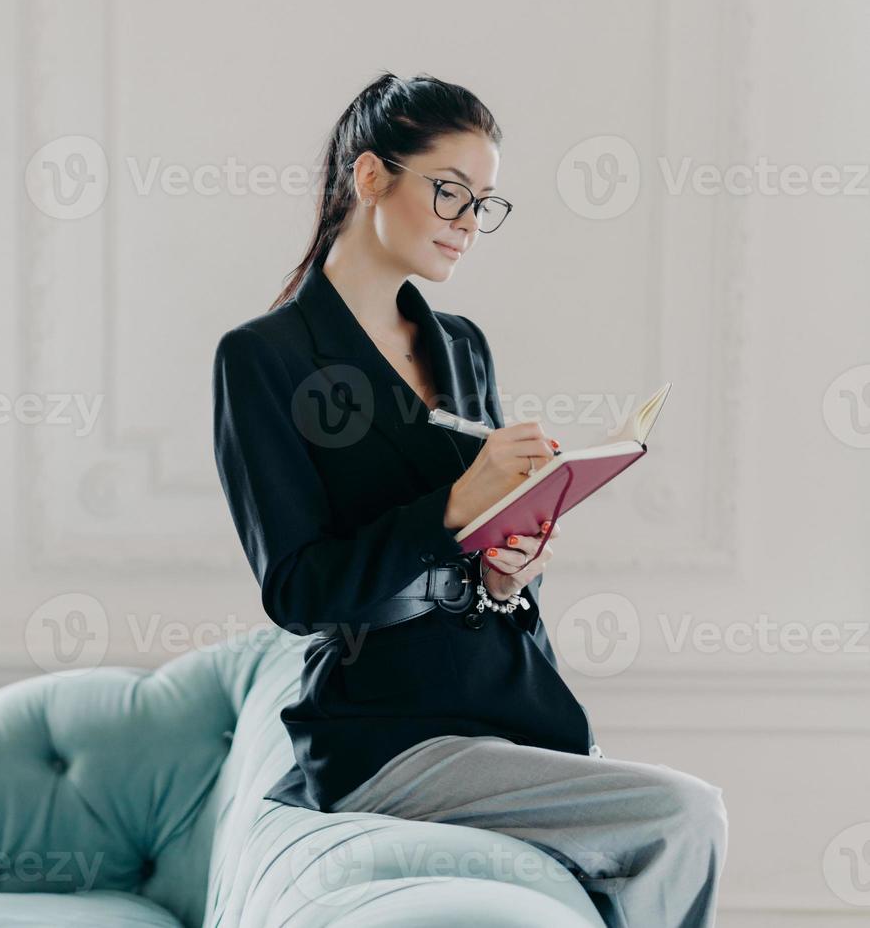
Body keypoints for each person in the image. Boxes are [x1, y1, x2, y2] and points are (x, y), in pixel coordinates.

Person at [210, 71, 728, 927]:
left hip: (505, 699)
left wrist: (506, 565)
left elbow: (473, 546)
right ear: (370, 177)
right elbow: (298, 591)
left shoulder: (460, 346)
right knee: (686, 814)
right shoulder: (263, 357)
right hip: (386, 728)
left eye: (484, 203)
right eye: (450, 192)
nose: (466, 223)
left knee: (666, 826)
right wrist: (451, 510)